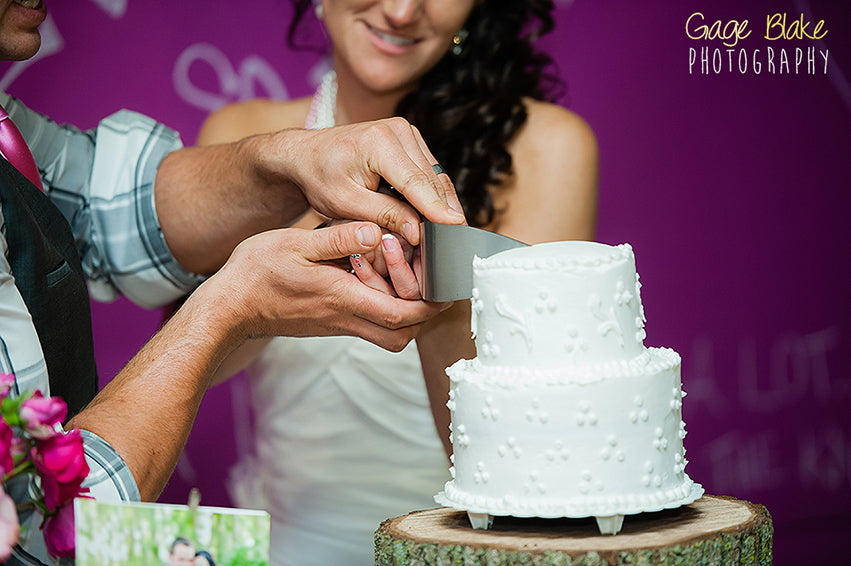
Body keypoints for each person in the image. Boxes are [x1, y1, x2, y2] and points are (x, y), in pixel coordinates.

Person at [0, 1, 466, 564]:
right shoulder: (245, 119)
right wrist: (234, 300)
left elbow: (104, 199)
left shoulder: (10, 132)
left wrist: (290, 157)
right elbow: (44, 525)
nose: (400, 9)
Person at [198, 1, 598, 564]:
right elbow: (196, 361)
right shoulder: (242, 137)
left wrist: (440, 289)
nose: (403, 10)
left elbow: (525, 463)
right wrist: (312, 230)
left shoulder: (546, 149)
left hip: (463, 547)